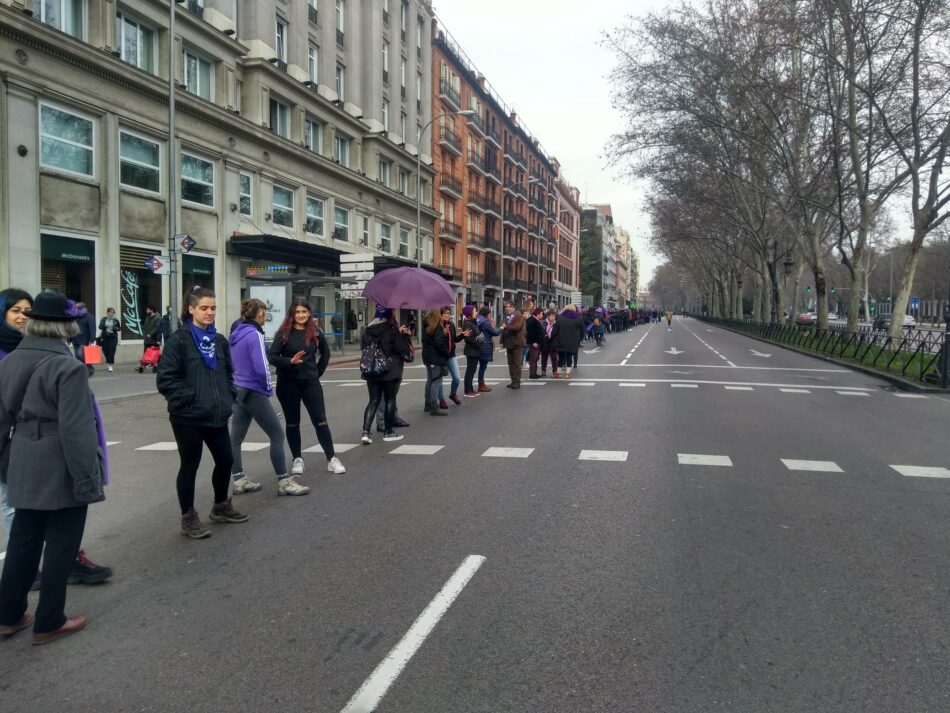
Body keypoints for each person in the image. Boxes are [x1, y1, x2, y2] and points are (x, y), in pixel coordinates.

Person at [0, 291, 106, 645]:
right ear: (66, 327)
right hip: (59, 461)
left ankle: (9, 614)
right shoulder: (68, 366)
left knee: (23, 540)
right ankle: (49, 620)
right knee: (61, 543)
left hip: (22, 458)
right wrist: (88, 478)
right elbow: (77, 432)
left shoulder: (10, 361)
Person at [157, 287, 246, 539]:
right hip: (188, 418)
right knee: (190, 466)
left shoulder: (219, 341)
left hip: (216, 415)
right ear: (191, 309)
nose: (209, 312)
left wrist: (229, 394)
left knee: (226, 460)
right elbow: (166, 380)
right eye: (204, 308)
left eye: (213, 308)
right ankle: (188, 517)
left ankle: (220, 506)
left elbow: (229, 372)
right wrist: (193, 399)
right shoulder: (179, 340)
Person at [229, 299, 305, 496]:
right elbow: (262, 367)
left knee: (235, 438)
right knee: (277, 435)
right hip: (254, 390)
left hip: (240, 389)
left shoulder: (236, 333)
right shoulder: (255, 334)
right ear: (260, 314)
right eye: (264, 312)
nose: (266, 317)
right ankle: (283, 481)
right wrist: (267, 388)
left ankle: (238, 479)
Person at [268, 298, 345, 478]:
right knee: (292, 422)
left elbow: (325, 353)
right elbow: (272, 356)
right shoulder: (284, 333)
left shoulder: (315, 332)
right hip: (288, 382)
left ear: (309, 313)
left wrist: (317, 371)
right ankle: (297, 459)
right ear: (292, 315)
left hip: (310, 382)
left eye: (304, 312)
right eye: (297, 312)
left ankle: (331, 458)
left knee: (320, 420)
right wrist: (289, 362)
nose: (301, 315)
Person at [360, 306, 412, 443]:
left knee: (373, 401)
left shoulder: (368, 329)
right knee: (390, 399)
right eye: (393, 311)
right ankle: (388, 432)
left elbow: (364, 347)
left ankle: (365, 432)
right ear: (390, 313)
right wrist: (405, 336)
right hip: (389, 371)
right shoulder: (392, 329)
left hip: (372, 370)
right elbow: (401, 349)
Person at [435, 307, 470, 407]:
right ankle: (441, 399)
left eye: (449, 313)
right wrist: (442, 333)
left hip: (451, 355)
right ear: (440, 315)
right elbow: (437, 342)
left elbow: (454, 340)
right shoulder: (438, 326)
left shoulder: (452, 325)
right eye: (445, 313)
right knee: (440, 379)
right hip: (441, 356)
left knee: (457, 378)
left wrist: (462, 335)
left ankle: (453, 394)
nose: (447, 315)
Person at [422, 308, 450, 415]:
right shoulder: (437, 327)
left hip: (427, 357)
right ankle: (434, 406)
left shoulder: (426, 325)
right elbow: (439, 344)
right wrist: (446, 353)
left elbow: (430, 340)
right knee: (436, 381)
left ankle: (428, 404)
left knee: (430, 380)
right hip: (435, 357)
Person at [554, 304, 585, 380]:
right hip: (573, 341)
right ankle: (567, 374)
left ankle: (558, 373)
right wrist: (580, 339)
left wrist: (554, 339)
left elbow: (555, 331)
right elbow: (582, 330)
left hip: (561, 340)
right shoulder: (578, 319)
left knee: (561, 357)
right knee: (569, 357)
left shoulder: (560, 318)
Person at [501, 301, 526, 389]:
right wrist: (502, 341)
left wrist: (506, 326)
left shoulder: (518, 316)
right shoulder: (506, 317)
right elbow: (504, 329)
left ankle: (517, 381)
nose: (507, 308)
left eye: (509, 307)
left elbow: (517, 327)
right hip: (509, 343)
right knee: (510, 363)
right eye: (506, 307)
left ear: (514, 308)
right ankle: (513, 381)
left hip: (517, 343)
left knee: (516, 363)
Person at [475, 306, 500, 392]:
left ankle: (481, 384)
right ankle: (481, 385)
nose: (490, 315)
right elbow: (494, 332)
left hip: (478, 344)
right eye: (490, 314)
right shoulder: (485, 322)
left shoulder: (478, 320)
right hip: (485, 345)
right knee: (483, 367)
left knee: (480, 367)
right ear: (487, 314)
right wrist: (501, 328)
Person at [460, 305, 483, 397]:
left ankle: (470, 388)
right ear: (470, 313)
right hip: (471, 350)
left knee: (472, 370)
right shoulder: (467, 324)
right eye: (474, 311)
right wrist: (477, 343)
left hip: (475, 350)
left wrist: (481, 337)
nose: (476, 312)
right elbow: (468, 338)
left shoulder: (473, 322)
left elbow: (476, 334)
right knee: (470, 370)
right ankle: (468, 390)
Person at [70, 302, 97, 376]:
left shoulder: (89, 317)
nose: (76, 310)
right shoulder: (75, 317)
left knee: (80, 355)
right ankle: (82, 370)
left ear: (83, 308)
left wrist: (92, 340)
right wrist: (69, 339)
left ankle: (89, 367)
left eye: (78, 308)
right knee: (77, 357)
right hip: (75, 339)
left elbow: (92, 328)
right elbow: (72, 328)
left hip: (84, 340)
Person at [97, 308, 121, 373]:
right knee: (105, 350)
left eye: (113, 312)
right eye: (110, 312)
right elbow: (100, 327)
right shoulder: (104, 319)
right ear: (107, 312)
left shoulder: (115, 320)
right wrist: (105, 326)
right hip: (105, 337)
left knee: (112, 350)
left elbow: (119, 328)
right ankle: (108, 361)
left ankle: (110, 365)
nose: (111, 313)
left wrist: (116, 328)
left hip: (113, 337)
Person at [525, 307, 545, 379]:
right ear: (537, 314)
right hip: (533, 343)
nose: (542, 315)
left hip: (538, 342)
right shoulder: (531, 320)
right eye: (541, 314)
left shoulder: (536, 320)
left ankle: (534, 372)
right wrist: (533, 341)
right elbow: (529, 333)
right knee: (533, 358)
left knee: (536, 358)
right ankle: (532, 374)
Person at [541, 310, 559, 377]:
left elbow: (557, 333)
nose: (553, 317)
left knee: (554, 358)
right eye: (551, 316)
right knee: (544, 357)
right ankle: (543, 370)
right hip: (545, 343)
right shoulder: (544, 323)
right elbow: (542, 332)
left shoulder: (556, 324)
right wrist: (545, 336)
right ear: (548, 316)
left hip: (553, 343)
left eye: (554, 316)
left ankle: (555, 371)